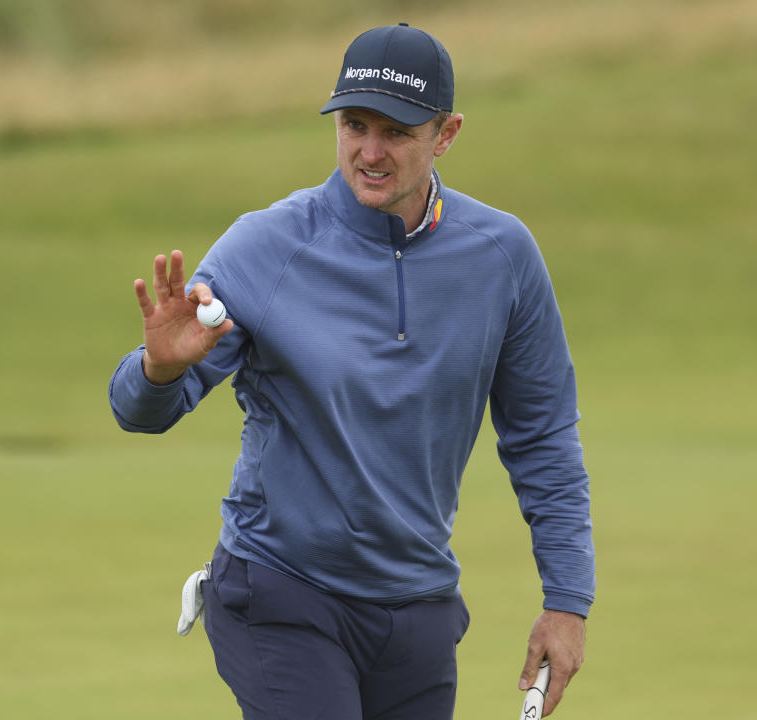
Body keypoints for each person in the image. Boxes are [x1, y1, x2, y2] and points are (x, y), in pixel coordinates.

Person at [109, 23, 593, 719]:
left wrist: (566, 602)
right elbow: (140, 411)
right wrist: (155, 370)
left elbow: (542, 435)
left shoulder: (503, 257)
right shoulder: (267, 247)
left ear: (446, 133)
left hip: (418, 610)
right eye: (354, 124)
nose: (369, 151)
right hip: (282, 592)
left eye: (396, 132)